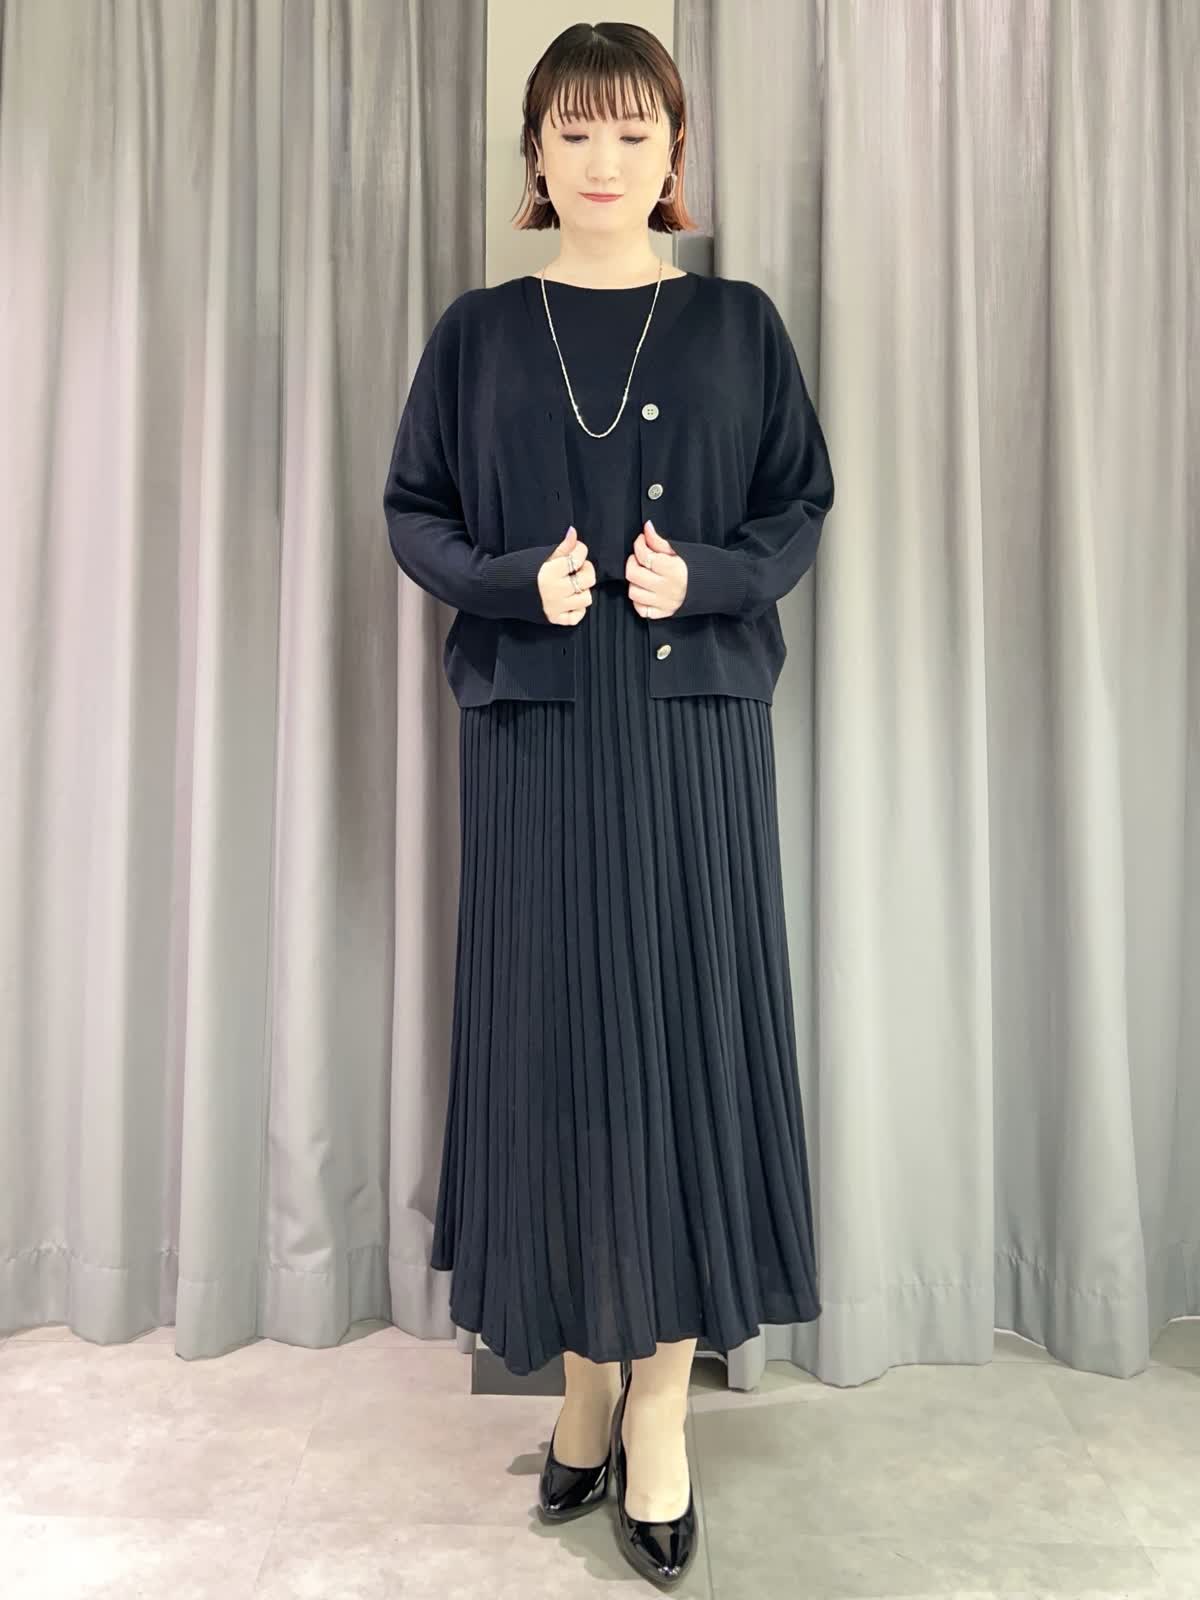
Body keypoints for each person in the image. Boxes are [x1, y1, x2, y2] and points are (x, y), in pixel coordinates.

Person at [382, 21, 833, 1587]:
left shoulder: (737, 324)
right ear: (534, 154)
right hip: (538, 744)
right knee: (555, 1054)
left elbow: (798, 503)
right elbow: (415, 509)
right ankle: (580, 1382)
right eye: (574, 132)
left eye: (633, 132)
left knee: (688, 1053)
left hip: (695, 744)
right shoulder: (477, 334)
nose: (603, 160)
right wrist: (515, 584)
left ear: (674, 154)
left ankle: (660, 1409)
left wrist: (706, 575)